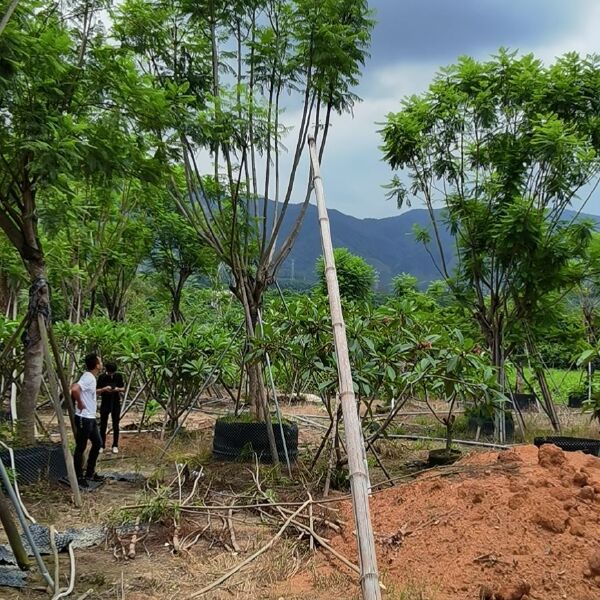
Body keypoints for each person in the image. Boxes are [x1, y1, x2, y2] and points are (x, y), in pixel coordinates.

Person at [70, 353, 111, 487]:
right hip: (84, 417)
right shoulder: (88, 377)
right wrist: (80, 403)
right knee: (80, 447)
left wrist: (101, 390)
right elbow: (74, 389)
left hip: (90, 417)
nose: (102, 363)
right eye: (100, 361)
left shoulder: (91, 378)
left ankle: (89, 472)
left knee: (98, 443)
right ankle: (78, 476)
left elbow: (87, 391)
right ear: (97, 365)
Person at [97, 362, 125, 454]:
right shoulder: (101, 377)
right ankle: (101, 445)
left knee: (116, 424)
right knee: (103, 425)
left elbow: (123, 388)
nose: (111, 374)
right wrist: (104, 389)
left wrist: (117, 389)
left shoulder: (119, 376)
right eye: (110, 373)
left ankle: (115, 445)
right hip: (105, 402)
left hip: (116, 402)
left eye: (113, 373)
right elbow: (96, 390)